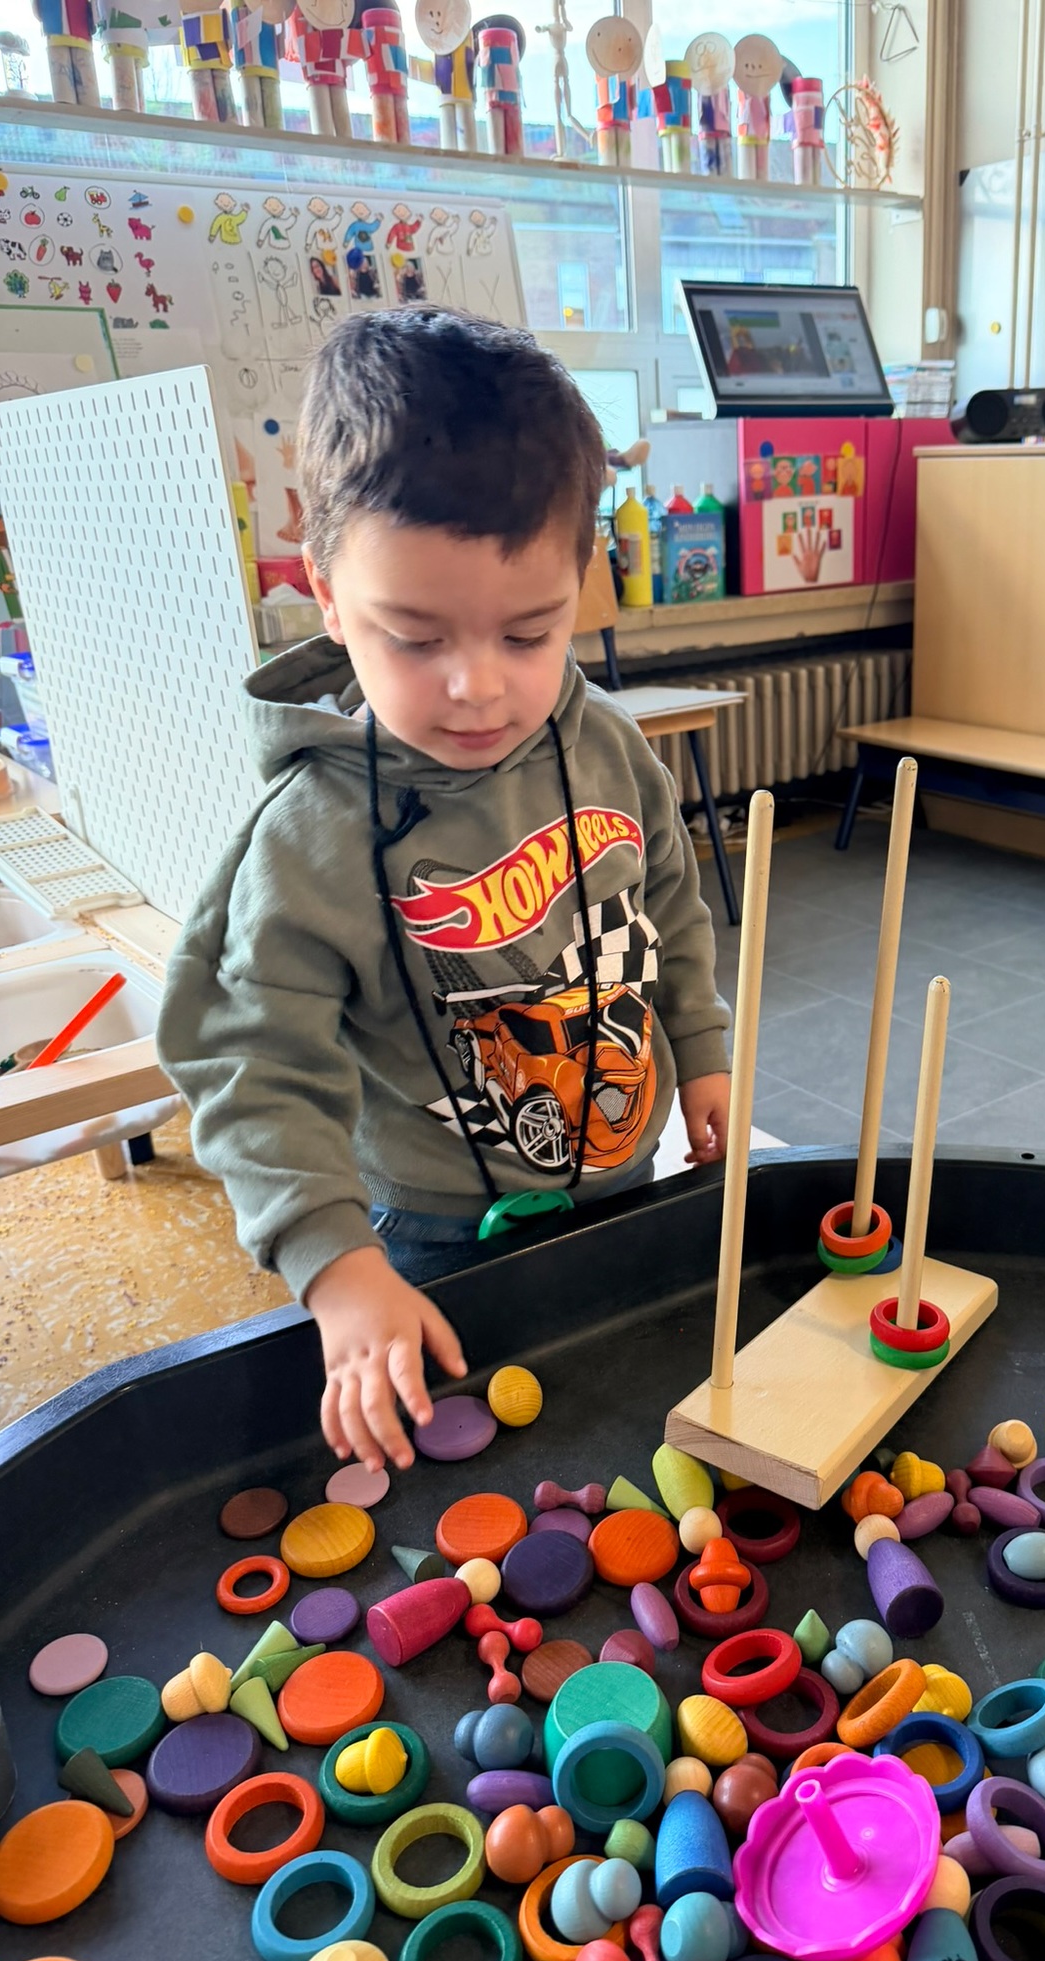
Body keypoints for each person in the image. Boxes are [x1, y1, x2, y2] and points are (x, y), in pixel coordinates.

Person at [158, 308, 731, 1475]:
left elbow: (666, 899)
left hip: (627, 1175)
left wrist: (701, 1046)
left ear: (580, 585)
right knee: (479, 1477)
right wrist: (336, 1266)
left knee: (625, 1434)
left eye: (530, 633)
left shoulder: (610, 748)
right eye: (415, 638)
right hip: (431, 1233)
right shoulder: (306, 837)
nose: (477, 686)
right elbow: (250, 1060)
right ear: (326, 592)